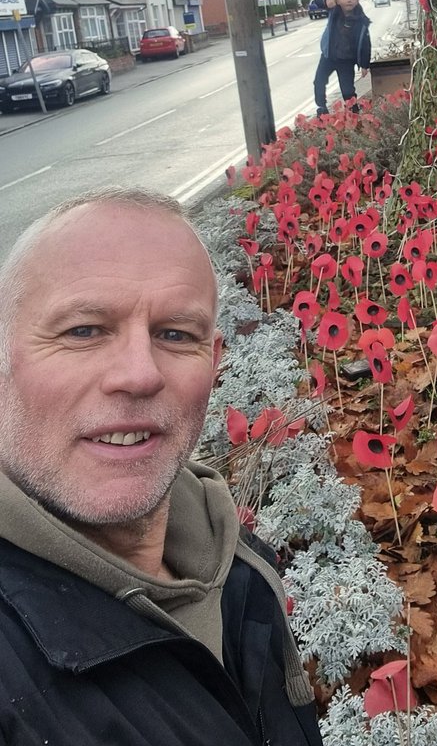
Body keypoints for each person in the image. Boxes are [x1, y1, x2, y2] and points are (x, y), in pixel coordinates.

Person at [0, 190, 322, 746]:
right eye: (83, 330)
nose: (139, 374)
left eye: (176, 334)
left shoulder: (238, 566)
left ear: (215, 361)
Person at [313, 0, 371, 116]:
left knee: (347, 90)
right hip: (329, 56)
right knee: (319, 82)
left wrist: (364, 65)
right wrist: (326, 1)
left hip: (346, 60)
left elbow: (365, 44)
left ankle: (354, 113)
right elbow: (317, 0)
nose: (348, 0)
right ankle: (322, 109)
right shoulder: (334, 11)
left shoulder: (361, 20)